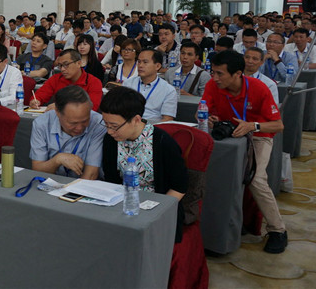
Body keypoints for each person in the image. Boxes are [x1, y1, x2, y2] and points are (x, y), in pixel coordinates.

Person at [203, 50, 287, 253]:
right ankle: (220, 225)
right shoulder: (212, 86)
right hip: (229, 137)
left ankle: (277, 230)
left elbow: (278, 125)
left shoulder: (259, 88)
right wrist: (210, 119)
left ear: (237, 74)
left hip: (258, 137)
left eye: (220, 73)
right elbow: (204, 110)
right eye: (213, 72)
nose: (215, 78)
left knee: (256, 179)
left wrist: (253, 126)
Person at [99, 86, 187, 243]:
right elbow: (111, 179)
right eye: (106, 124)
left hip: (159, 210)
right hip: (122, 205)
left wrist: (155, 213)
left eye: (114, 126)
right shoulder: (111, 140)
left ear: (136, 120)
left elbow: (179, 187)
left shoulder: (162, 142)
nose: (109, 131)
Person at [30, 86, 106, 179]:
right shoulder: (42, 123)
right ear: (57, 112)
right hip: (52, 182)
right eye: (73, 123)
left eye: (85, 121)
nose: (79, 128)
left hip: (85, 184)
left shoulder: (99, 124)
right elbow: (37, 169)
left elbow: (91, 174)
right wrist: (57, 160)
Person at [30, 49, 103, 111]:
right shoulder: (56, 79)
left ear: (79, 63)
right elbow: (40, 94)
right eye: (60, 65)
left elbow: (92, 107)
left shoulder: (93, 82)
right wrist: (35, 101)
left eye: (66, 64)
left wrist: (62, 107)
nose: (62, 69)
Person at [121, 49, 177, 123]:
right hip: (128, 124)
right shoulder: (128, 84)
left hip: (153, 127)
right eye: (139, 62)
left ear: (157, 66)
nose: (140, 65)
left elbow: (167, 119)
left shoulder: (168, 90)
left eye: (145, 62)